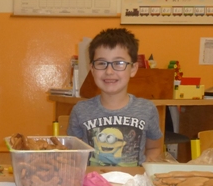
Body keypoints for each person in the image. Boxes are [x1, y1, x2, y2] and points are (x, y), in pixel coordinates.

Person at [67, 28, 163, 166]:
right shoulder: (80, 110)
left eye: (119, 63)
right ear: (92, 69)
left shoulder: (147, 109)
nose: (109, 71)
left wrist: (144, 170)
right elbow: (72, 154)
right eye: (101, 63)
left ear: (133, 69)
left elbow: (154, 148)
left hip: (133, 180)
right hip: (93, 179)